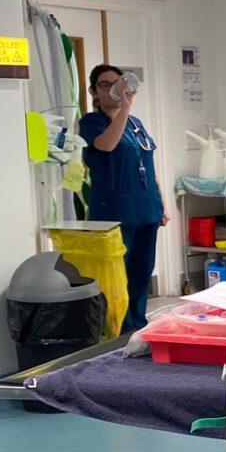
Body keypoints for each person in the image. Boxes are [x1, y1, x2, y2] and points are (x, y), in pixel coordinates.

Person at [79, 64, 165, 335]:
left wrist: (159, 202)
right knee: (117, 278)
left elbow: (147, 162)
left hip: (145, 209)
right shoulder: (91, 123)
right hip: (115, 212)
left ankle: (137, 325)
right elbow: (107, 145)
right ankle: (120, 331)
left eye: (118, 82)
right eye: (105, 85)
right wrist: (124, 109)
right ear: (94, 91)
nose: (114, 89)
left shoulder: (136, 124)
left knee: (141, 272)